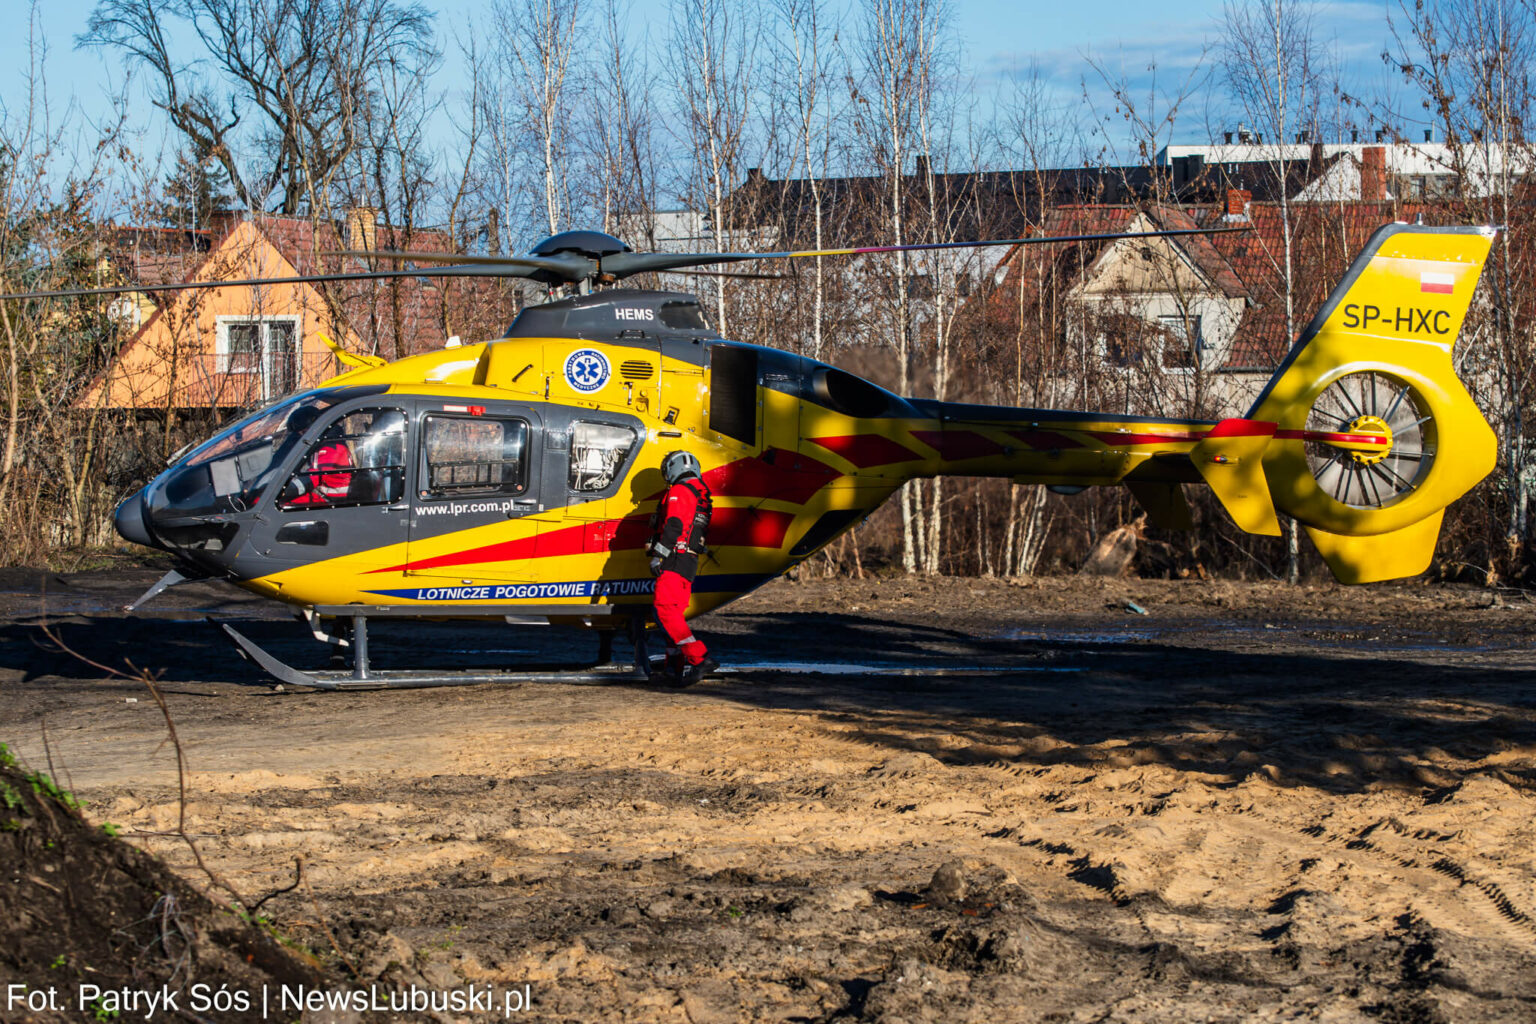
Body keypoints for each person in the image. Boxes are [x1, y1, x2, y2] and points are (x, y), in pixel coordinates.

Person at [647, 450, 717, 686]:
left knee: (665, 609)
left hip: (675, 560)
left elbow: (674, 524)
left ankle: (699, 658)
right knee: (673, 615)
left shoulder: (679, 491)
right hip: (688, 561)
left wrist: (659, 554)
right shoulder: (701, 494)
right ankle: (673, 667)